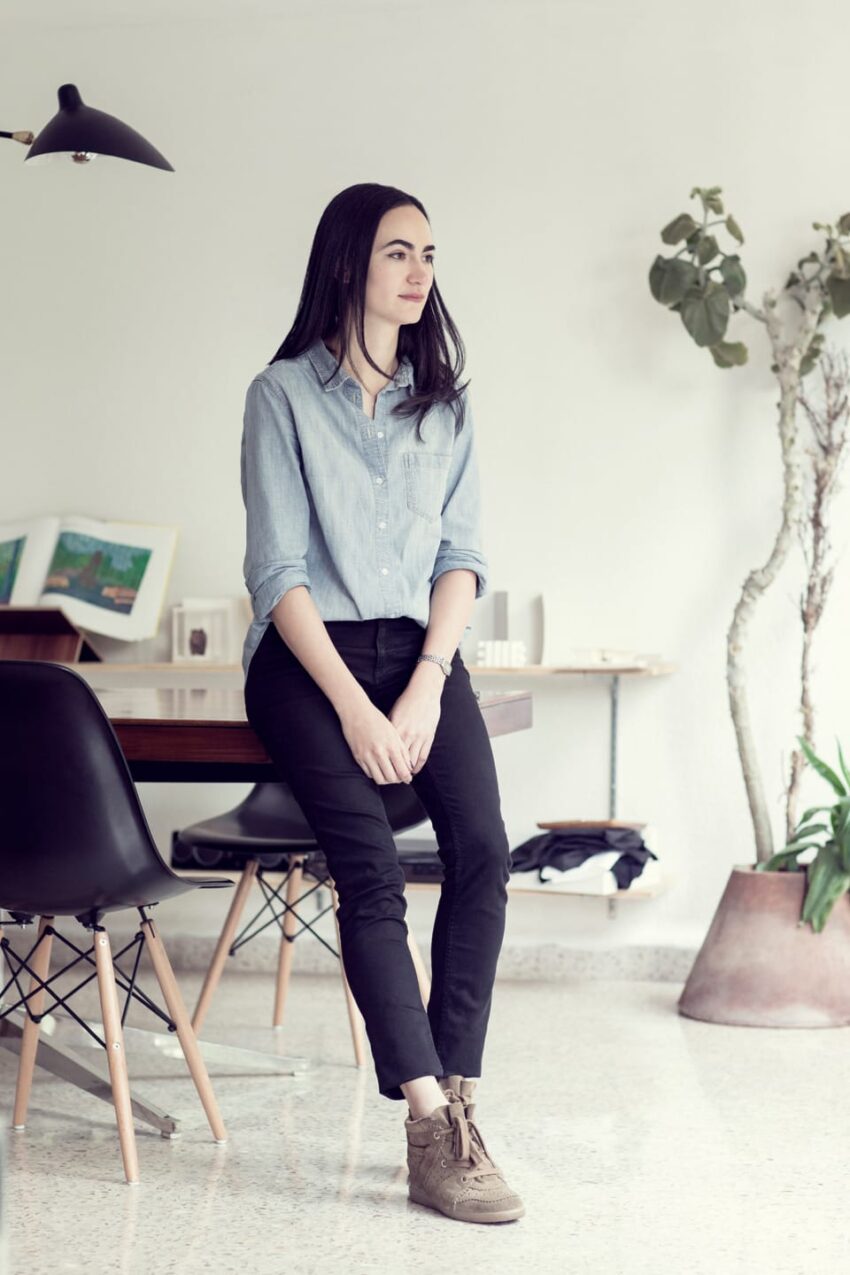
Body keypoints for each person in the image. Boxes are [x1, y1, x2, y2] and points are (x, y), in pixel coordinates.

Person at [240, 182, 524, 1224]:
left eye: (429, 255)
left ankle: (461, 1094)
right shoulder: (279, 397)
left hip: (418, 653)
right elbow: (277, 572)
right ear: (348, 262)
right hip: (305, 660)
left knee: (485, 848)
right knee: (368, 870)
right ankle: (422, 1121)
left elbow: (462, 557)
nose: (419, 273)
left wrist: (425, 681)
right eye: (399, 252)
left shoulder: (444, 406)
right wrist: (354, 711)